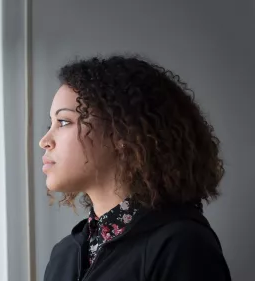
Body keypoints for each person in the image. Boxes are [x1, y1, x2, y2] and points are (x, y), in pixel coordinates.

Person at [39, 55, 231, 281]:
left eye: (63, 122)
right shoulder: (64, 255)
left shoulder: (181, 244)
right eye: (50, 124)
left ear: (121, 133)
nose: (44, 140)